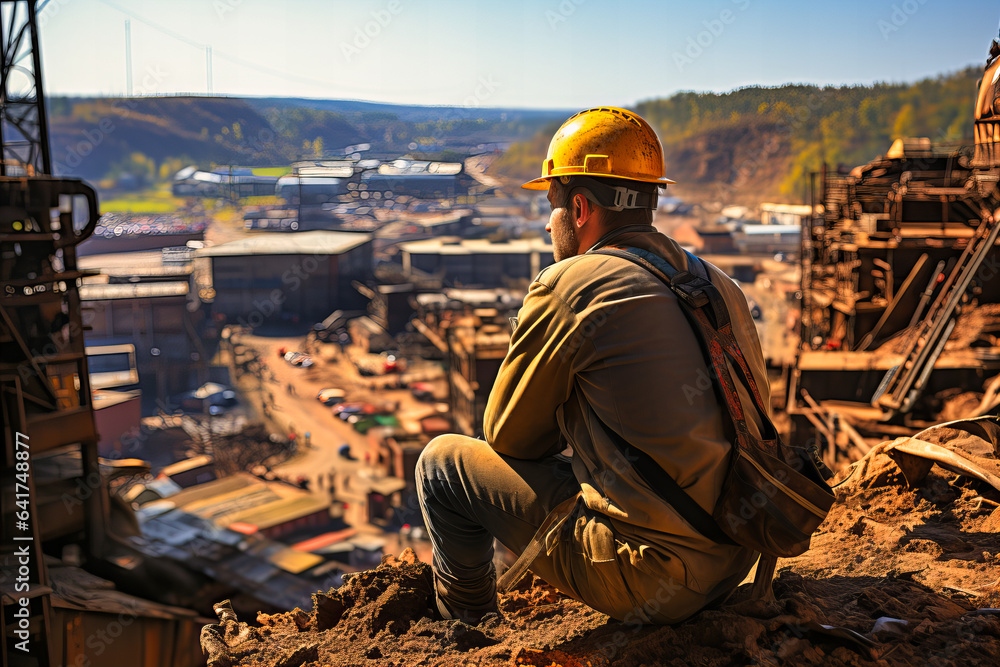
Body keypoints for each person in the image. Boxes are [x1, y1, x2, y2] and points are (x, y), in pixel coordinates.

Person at [416, 107, 770, 625]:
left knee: (442, 464)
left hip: (654, 579)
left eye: (553, 205)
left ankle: (467, 625)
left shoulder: (570, 284)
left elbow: (509, 440)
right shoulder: (718, 284)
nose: (547, 221)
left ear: (579, 209)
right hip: (738, 554)